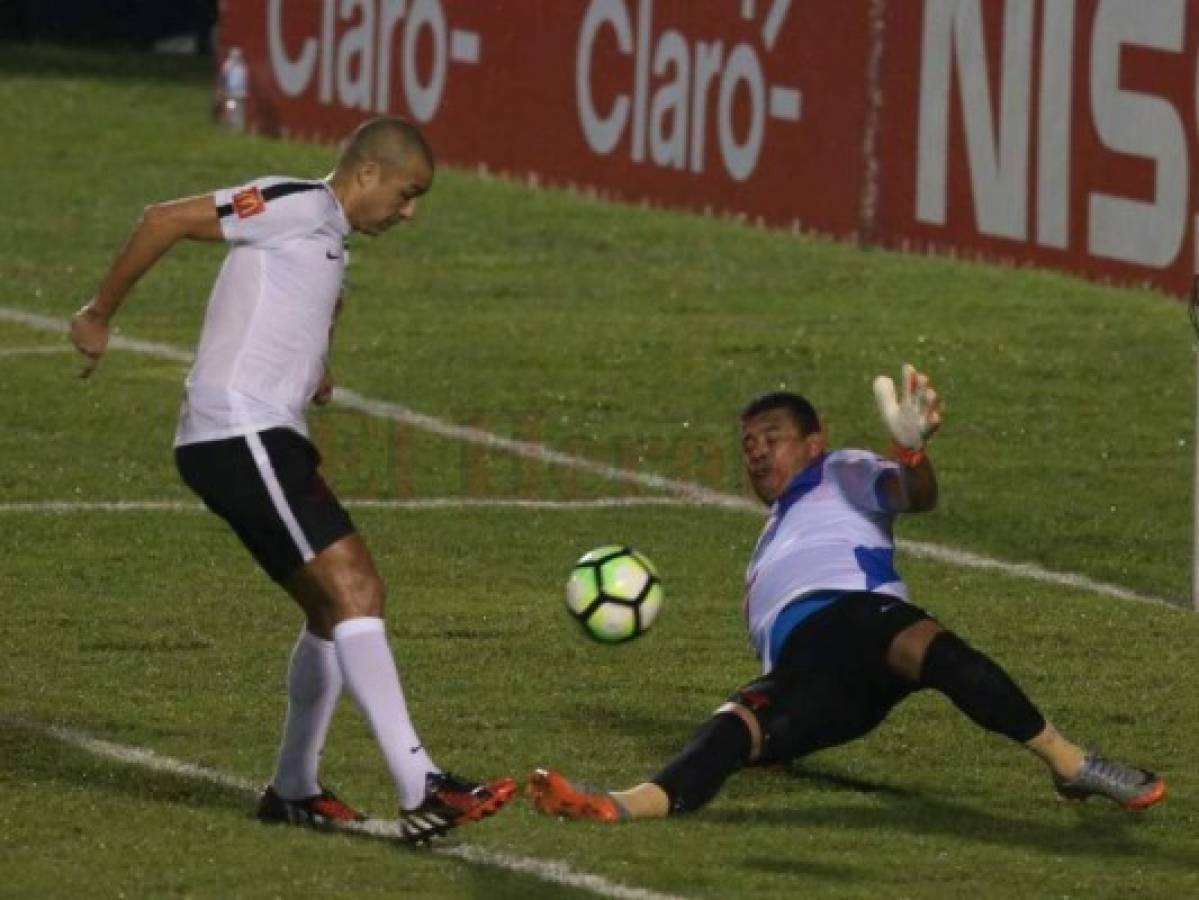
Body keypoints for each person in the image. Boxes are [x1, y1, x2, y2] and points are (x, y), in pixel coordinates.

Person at [69, 116, 516, 844]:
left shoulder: (328, 237)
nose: (410, 213)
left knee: (330, 613)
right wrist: (99, 313)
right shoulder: (293, 201)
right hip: (237, 428)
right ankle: (421, 785)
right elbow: (164, 219)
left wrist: (316, 368)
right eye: (407, 194)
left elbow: (296, 305)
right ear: (366, 174)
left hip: (258, 433)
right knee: (358, 590)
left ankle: (294, 786)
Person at [528, 365, 1166, 821]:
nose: (755, 453)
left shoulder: (839, 472)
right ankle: (618, 805)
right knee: (733, 731)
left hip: (861, 618)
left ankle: (1073, 764)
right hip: (827, 684)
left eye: (770, 438)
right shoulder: (767, 546)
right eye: (747, 445)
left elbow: (910, 496)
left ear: (813, 440)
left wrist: (911, 454)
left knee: (929, 647)